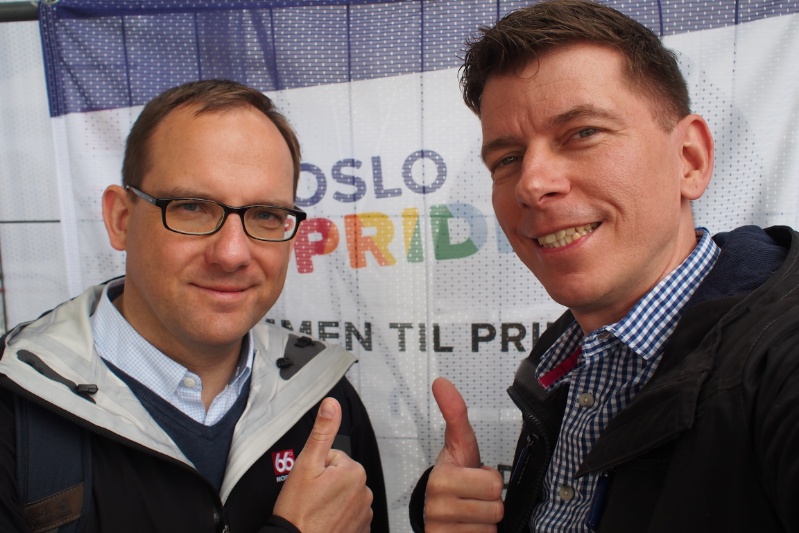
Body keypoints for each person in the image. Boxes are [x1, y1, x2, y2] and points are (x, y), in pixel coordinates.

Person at [409, 1, 799, 532]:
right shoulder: (563, 361)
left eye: (583, 132)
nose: (532, 183)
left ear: (690, 159)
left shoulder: (782, 361)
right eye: (508, 159)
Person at [0, 79, 389, 533]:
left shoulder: (324, 397)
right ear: (121, 219)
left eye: (266, 214)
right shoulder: (14, 409)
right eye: (192, 207)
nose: (232, 254)